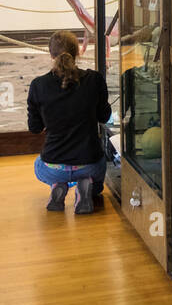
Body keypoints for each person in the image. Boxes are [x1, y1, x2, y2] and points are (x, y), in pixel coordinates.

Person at [27, 30, 111, 214]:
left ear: (51, 55)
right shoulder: (95, 79)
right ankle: (85, 186)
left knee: (38, 165)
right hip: (90, 164)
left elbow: (35, 128)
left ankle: (58, 184)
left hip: (53, 166)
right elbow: (104, 117)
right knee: (97, 183)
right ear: (78, 52)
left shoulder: (38, 85)